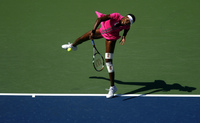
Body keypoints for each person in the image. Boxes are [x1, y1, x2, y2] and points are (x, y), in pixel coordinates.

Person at [62, 11, 135, 98]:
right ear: (125, 16)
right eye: (127, 20)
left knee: (108, 61)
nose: (126, 23)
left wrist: (124, 36)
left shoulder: (127, 25)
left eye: (129, 22)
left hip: (111, 38)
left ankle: (112, 87)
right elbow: (100, 19)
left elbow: (127, 29)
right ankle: (73, 46)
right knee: (82, 38)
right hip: (102, 31)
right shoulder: (116, 16)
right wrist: (93, 31)